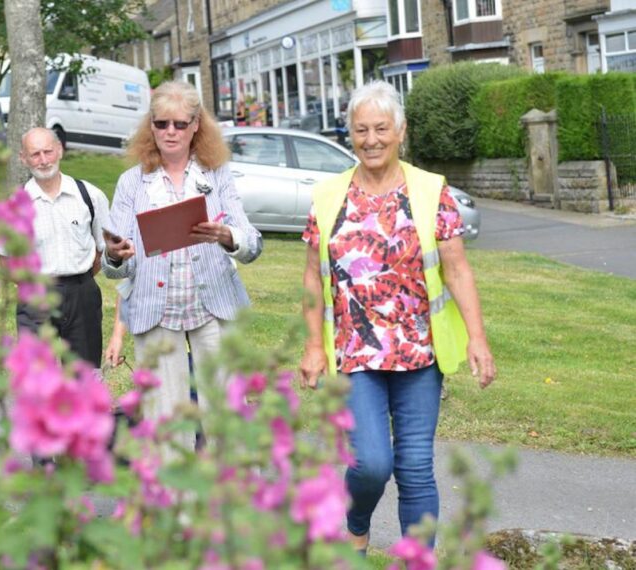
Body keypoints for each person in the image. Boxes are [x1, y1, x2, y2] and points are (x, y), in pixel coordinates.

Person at [299, 81, 496, 551]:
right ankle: (355, 523)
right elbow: (311, 277)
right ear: (350, 133)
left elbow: (457, 269)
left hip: (419, 353)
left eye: (381, 128)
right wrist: (312, 346)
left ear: (401, 131)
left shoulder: (431, 191)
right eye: (361, 129)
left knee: (415, 468)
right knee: (371, 463)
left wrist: (477, 338)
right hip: (355, 353)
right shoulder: (327, 196)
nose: (371, 139)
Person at [102, 80, 263, 452]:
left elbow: (253, 245)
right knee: (166, 424)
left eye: (179, 124)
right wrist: (115, 255)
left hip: (213, 307)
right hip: (154, 310)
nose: (170, 132)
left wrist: (228, 236)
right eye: (161, 124)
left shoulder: (217, 174)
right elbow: (114, 268)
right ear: (151, 127)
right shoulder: (131, 183)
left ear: (196, 126)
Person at [8, 126, 110, 367]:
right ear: (23, 158)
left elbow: (102, 248)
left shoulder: (90, 196)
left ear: (60, 150)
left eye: (48, 152)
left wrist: (77, 280)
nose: (43, 160)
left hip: (82, 294)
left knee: (83, 372)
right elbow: (8, 263)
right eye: (35, 154)